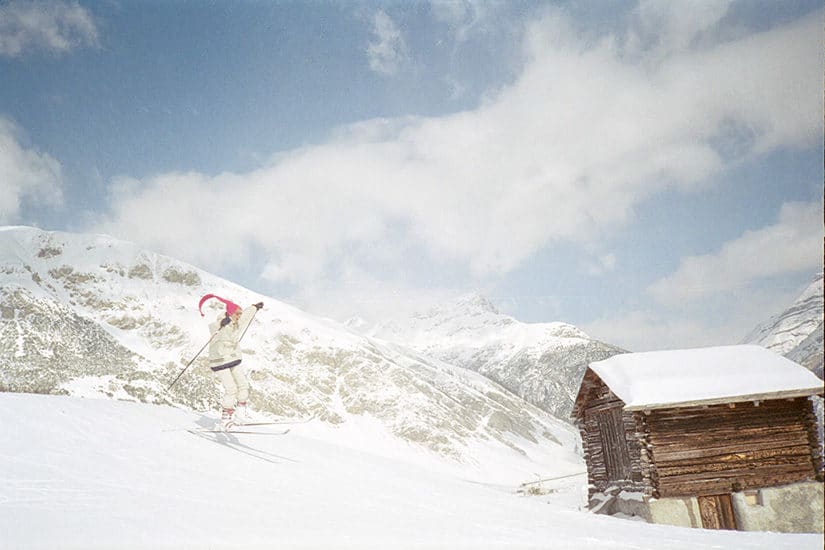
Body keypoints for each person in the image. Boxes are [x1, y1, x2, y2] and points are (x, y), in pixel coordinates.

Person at [198, 293, 263, 430]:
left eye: (240, 313)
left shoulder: (236, 323)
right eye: (237, 313)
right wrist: (222, 324)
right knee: (231, 389)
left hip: (232, 358)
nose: (239, 316)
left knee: (243, 385)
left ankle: (240, 412)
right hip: (220, 360)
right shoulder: (221, 324)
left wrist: (254, 307)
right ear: (231, 313)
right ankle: (225, 419)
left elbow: (245, 316)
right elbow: (214, 328)